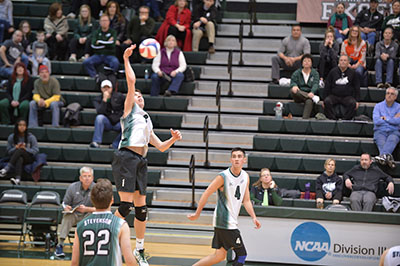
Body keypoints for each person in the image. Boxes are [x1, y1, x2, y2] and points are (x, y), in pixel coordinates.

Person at [112, 45, 182, 266]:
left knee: (141, 208)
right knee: (125, 207)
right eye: (136, 95)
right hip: (126, 158)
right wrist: (126, 60)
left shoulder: (146, 119)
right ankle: (104, 236)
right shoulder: (129, 111)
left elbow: (160, 147)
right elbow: (131, 82)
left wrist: (173, 139)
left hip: (141, 161)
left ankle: (140, 250)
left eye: (141, 96)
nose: (139, 97)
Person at [187, 147, 261, 266]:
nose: (236, 159)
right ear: (231, 160)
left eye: (239, 156)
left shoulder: (245, 176)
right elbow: (206, 193)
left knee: (219, 256)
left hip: (230, 221)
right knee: (241, 255)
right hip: (224, 221)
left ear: (244, 160)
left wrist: (254, 217)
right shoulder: (223, 176)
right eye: (234, 156)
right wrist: (197, 214)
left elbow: (246, 200)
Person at [70, 178, 137, 266]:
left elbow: (74, 262)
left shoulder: (81, 225)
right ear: (112, 200)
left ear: (92, 201)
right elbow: (129, 261)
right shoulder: (121, 225)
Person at [54, 166, 96, 257]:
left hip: (88, 214)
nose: (87, 178)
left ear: (92, 178)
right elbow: (64, 203)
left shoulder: (96, 188)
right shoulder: (72, 187)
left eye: (89, 176)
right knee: (67, 216)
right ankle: (60, 245)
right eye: (85, 176)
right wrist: (66, 208)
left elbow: (100, 208)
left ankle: (87, 246)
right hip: (74, 214)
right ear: (80, 178)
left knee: (93, 214)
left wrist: (86, 209)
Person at [0, 119, 38, 185]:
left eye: (24, 125)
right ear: (16, 126)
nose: (22, 127)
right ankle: (17, 180)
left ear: (26, 127)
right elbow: (9, 151)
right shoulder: (11, 137)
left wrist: (25, 149)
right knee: (19, 158)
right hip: (15, 157)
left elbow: (35, 151)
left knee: (20, 150)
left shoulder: (31, 137)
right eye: (20, 125)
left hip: (28, 158)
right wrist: (15, 148)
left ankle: (6, 169)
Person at [323, 55, 360, 120]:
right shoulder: (333, 72)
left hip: (347, 96)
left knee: (353, 103)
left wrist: (357, 100)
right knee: (327, 101)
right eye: (341, 60)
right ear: (339, 62)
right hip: (334, 96)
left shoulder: (353, 73)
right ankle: (333, 118)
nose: (343, 62)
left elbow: (356, 87)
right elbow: (327, 86)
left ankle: (345, 119)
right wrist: (324, 98)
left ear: (348, 62)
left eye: (345, 60)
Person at [90, 80, 125, 149]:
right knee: (99, 118)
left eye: (108, 87)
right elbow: (100, 111)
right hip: (107, 122)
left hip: (118, 122)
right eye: (104, 88)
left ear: (111, 88)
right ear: (101, 89)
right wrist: (104, 100)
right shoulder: (97, 99)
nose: (106, 89)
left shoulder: (119, 96)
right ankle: (96, 141)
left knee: (128, 124)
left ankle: (115, 144)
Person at [83, 14, 119, 78]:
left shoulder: (113, 32)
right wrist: (107, 42)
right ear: (100, 22)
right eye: (102, 21)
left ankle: (109, 77)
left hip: (109, 55)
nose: (104, 22)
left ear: (109, 22)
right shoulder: (96, 32)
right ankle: (95, 76)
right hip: (98, 55)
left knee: (115, 62)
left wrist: (99, 42)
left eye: (106, 20)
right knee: (86, 62)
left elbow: (113, 45)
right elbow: (94, 45)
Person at [373, 87, 400, 168]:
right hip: (380, 131)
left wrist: (385, 118)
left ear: (395, 97)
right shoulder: (378, 106)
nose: (389, 95)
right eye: (388, 93)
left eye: (392, 94)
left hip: (394, 131)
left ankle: (383, 157)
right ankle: (388, 159)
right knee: (382, 144)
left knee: (392, 140)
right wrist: (392, 119)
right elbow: (376, 121)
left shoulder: (399, 107)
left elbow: (398, 122)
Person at [289, 54, 320, 119]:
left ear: (311, 63)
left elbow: (316, 84)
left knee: (309, 101)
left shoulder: (315, 73)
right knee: (293, 91)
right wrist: (294, 85)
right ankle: (310, 97)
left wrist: (312, 92)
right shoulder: (297, 73)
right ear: (302, 63)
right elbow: (293, 81)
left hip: (310, 93)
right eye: (305, 61)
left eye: (308, 61)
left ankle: (305, 119)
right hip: (299, 94)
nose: (306, 62)